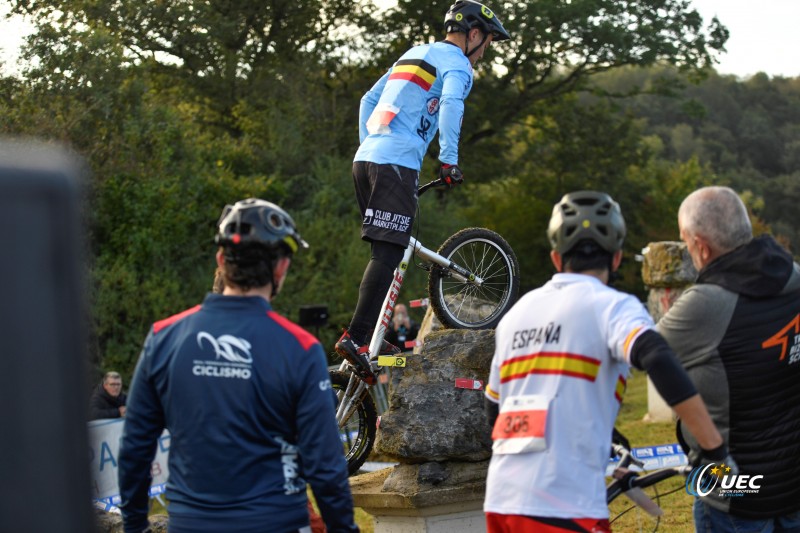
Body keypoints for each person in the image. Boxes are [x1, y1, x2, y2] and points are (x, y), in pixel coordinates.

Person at [483, 191, 729, 533]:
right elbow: (657, 357)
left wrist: (602, 437)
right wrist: (714, 448)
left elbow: (496, 409)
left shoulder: (516, 314)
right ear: (616, 259)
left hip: (502, 499)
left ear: (556, 258)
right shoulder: (614, 306)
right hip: (564, 504)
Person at [118, 199, 358, 533]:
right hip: (276, 521)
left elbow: (134, 449)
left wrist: (134, 526)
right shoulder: (300, 348)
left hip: (190, 524)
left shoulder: (164, 336)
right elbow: (325, 468)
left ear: (220, 260)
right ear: (281, 268)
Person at [335, 0, 511, 384]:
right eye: (488, 43)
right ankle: (357, 338)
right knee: (388, 251)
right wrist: (448, 161)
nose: (485, 53)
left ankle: (374, 340)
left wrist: (373, 144)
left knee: (388, 250)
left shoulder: (414, 53)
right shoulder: (458, 64)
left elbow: (368, 100)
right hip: (393, 163)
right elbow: (449, 102)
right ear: (474, 34)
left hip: (365, 160)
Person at [656, 186, 800, 531]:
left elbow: (642, 352)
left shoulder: (705, 305)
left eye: (685, 240)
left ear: (701, 247)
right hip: (793, 482)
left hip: (733, 491)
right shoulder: (794, 275)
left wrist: (674, 318)